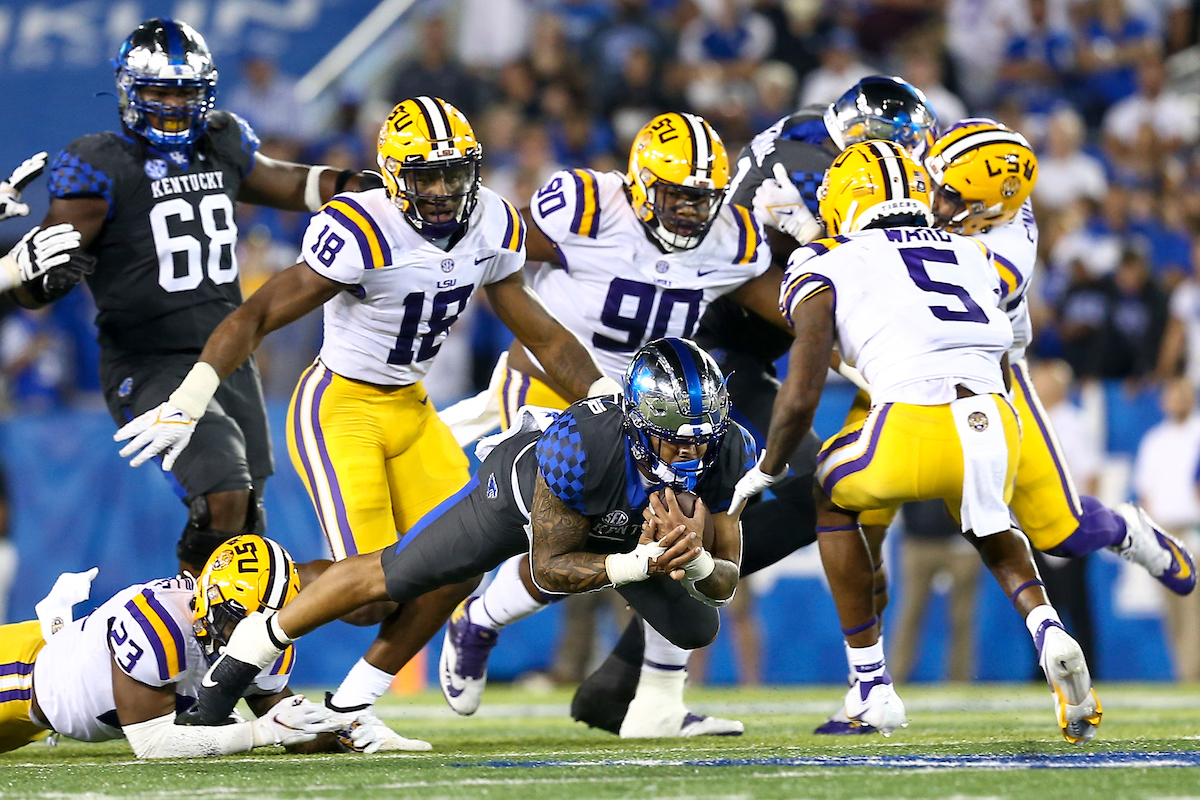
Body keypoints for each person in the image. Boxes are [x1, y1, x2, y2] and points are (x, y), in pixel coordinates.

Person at [116, 96, 614, 751]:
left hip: (412, 406)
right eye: (424, 176)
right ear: (391, 174)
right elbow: (256, 315)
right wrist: (191, 395)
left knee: (463, 564)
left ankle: (353, 704)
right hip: (341, 406)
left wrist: (609, 399)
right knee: (371, 598)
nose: (441, 191)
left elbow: (545, 337)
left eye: (454, 174)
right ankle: (222, 600)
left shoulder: (494, 221)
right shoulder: (362, 226)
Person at [553, 76, 940, 737]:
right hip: (719, 347)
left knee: (769, 508)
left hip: (740, 351)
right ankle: (611, 671)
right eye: (888, 150)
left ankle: (627, 679)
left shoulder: (809, 140)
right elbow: (828, 282)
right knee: (813, 494)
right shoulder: (811, 164)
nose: (896, 169)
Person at [178, 338, 756, 731]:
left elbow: (725, 584)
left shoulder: (729, 448)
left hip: (626, 535)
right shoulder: (582, 443)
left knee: (696, 626)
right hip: (520, 498)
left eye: (703, 436)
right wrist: (643, 564)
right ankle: (248, 650)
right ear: (637, 421)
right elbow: (549, 564)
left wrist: (696, 562)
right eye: (676, 436)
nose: (692, 449)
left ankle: (349, 706)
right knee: (396, 574)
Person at [731, 139, 1102, 744]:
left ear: (849, 199)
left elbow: (801, 390)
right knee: (988, 523)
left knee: (831, 495)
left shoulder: (824, 258)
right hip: (994, 417)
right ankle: (1047, 628)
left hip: (910, 420)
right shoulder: (972, 251)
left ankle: (871, 687)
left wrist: (769, 467)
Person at [440, 111, 777, 738]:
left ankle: (656, 705)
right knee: (574, 538)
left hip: (662, 409)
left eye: (703, 198)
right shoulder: (587, 206)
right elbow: (501, 256)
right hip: (553, 384)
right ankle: (480, 618)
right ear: (642, 184)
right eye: (677, 195)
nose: (690, 212)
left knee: (679, 532)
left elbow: (792, 303)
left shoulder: (733, 238)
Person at [17, 19, 384, 578]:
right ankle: (187, 625)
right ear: (128, 91)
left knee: (246, 529)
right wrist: (32, 275)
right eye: (158, 91)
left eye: (184, 92)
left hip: (226, 355)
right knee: (223, 492)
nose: (171, 105)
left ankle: (222, 651)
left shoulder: (222, 141)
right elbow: (38, 280)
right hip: (150, 360)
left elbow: (292, 183)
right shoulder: (100, 163)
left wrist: (365, 186)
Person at [0, 535, 343, 758]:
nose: (246, 637)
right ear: (207, 597)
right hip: (18, 678)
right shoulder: (157, 624)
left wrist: (341, 727)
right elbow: (152, 743)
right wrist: (261, 731)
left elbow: (294, 727)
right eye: (236, 620)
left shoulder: (263, 639)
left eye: (263, 624)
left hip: (42, 710)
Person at [1134, 377, 1200, 681]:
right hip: (1164, 531)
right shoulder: (1154, 440)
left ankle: (1192, 673)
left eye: (1182, 396)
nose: (1176, 402)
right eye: (1171, 396)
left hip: (1194, 526)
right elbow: (1145, 491)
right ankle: (1183, 673)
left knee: (1194, 609)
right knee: (1171, 610)